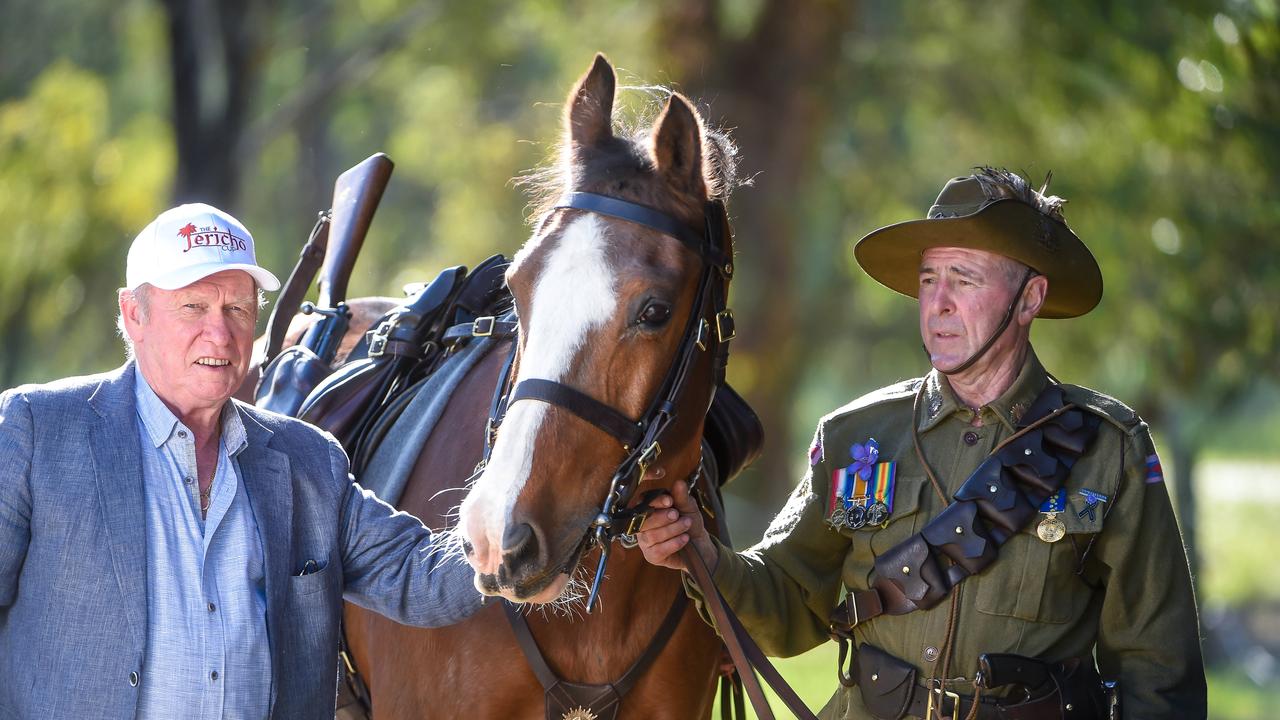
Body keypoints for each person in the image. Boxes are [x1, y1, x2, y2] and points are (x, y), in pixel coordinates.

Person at [638, 168, 1206, 719]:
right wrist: (704, 555)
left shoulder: (1109, 449)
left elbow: (1156, 665)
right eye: (929, 280)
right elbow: (788, 602)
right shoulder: (856, 436)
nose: (938, 305)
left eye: (965, 279)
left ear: (1030, 299)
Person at [0, 204, 481, 718]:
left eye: (238, 309)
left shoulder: (308, 462)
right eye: (194, 307)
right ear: (133, 313)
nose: (221, 334)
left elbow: (419, 577)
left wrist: (535, 518)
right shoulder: (36, 430)